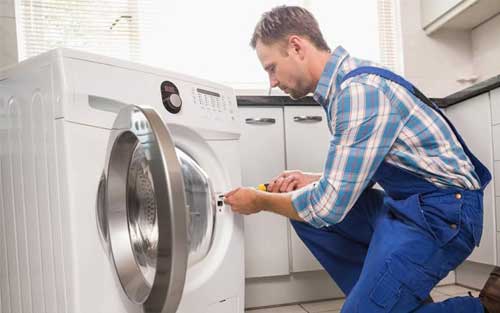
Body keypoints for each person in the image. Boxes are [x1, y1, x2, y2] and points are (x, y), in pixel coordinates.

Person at [224, 5, 500, 313]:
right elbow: (367, 168)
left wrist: (259, 201)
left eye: (271, 67)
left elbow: (327, 207)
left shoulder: (358, 91)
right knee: (303, 211)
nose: (272, 82)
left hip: (445, 216)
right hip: (408, 206)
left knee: (315, 214)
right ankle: (391, 297)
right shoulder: (344, 86)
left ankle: (487, 308)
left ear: (296, 47)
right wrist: (314, 179)